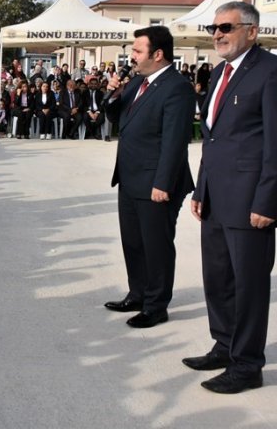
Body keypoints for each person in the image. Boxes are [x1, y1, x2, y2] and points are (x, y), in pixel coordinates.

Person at [187, 1, 277, 394]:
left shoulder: (273, 72)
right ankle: (224, 345)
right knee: (217, 279)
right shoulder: (219, 72)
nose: (217, 34)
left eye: (226, 27)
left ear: (251, 31)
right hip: (216, 198)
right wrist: (201, 189)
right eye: (213, 27)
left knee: (248, 285)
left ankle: (248, 364)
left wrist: (267, 203)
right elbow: (213, 140)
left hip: (250, 202)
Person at [104, 25, 194, 329]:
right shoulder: (136, 83)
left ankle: (156, 306)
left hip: (157, 182)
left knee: (156, 245)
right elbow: (117, 118)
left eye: (137, 51)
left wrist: (163, 183)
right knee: (133, 242)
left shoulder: (177, 87)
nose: (132, 57)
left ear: (158, 54)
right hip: (130, 178)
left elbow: (175, 141)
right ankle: (138, 294)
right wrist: (113, 94)